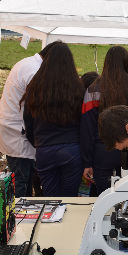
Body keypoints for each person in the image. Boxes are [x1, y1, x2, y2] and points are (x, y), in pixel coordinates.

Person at [21, 42, 85, 197]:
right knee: (70, 200)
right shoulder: (78, 87)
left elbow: (28, 122)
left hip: (44, 149)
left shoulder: (35, 88)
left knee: (50, 200)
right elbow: (83, 122)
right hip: (72, 149)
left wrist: (38, 143)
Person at [80, 46, 128, 195]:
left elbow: (87, 128)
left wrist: (87, 162)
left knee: (105, 198)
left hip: (102, 151)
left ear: (106, 63)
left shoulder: (93, 90)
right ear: (127, 62)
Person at [0, 41, 61, 197]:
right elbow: (35, 110)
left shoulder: (27, 63)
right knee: (20, 184)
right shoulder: (34, 71)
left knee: (23, 180)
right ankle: (18, 219)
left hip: (13, 130)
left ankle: (21, 216)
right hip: (18, 133)